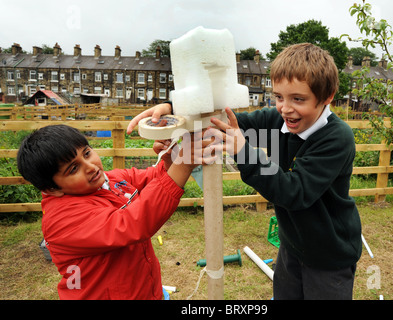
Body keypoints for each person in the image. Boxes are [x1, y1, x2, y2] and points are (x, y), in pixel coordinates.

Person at [127, 43, 362, 300]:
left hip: (329, 256)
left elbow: (295, 192)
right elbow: (226, 125)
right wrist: (173, 112)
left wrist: (243, 150)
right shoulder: (280, 120)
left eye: (298, 99)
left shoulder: (336, 137)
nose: (285, 108)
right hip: (293, 246)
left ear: (327, 96)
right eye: (279, 97)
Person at [17, 124, 212, 299]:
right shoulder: (63, 221)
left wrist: (170, 160)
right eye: (73, 168)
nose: (91, 167)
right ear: (52, 189)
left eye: (86, 153)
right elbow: (132, 224)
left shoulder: (111, 180)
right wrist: (183, 165)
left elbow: (154, 178)